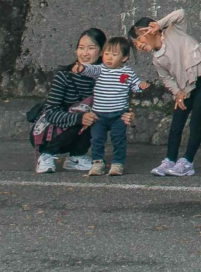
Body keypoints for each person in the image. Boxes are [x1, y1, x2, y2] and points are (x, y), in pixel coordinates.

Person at [132, 10, 201, 177]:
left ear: (151, 30)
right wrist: (177, 93)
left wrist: (159, 23)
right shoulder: (157, 59)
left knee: (195, 121)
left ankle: (187, 162)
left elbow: (180, 13)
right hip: (186, 87)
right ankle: (169, 160)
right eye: (135, 44)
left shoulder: (173, 31)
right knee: (176, 122)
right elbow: (166, 78)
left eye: (139, 38)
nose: (138, 45)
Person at [32, 29, 104, 174]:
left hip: (82, 126)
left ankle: (76, 156)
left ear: (101, 52)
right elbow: (50, 113)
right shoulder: (64, 76)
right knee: (83, 115)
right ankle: (47, 155)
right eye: (81, 48)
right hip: (52, 131)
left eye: (91, 48)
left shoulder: (104, 78)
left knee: (101, 116)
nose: (85, 53)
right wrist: (79, 118)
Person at [85, 34, 143, 175]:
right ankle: (97, 163)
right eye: (106, 54)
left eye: (114, 55)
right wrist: (81, 68)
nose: (109, 58)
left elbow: (135, 86)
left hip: (119, 114)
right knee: (97, 139)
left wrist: (141, 86)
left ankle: (117, 163)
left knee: (118, 139)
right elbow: (89, 70)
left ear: (124, 58)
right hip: (99, 114)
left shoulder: (127, 72)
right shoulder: (100, 69)